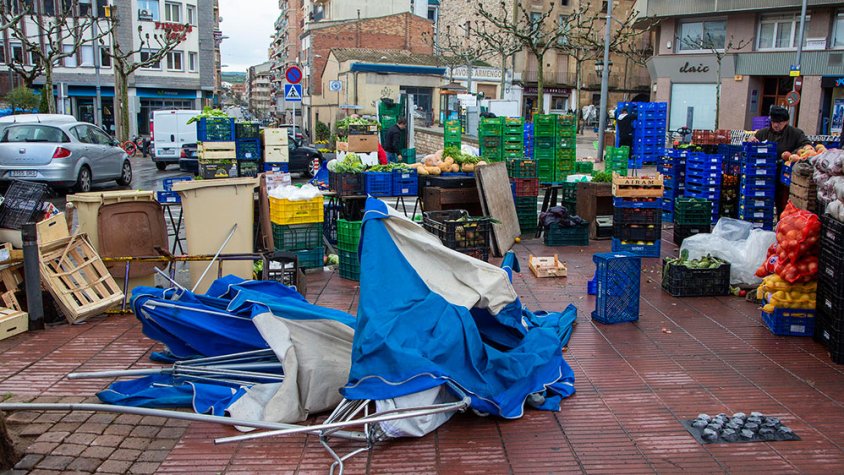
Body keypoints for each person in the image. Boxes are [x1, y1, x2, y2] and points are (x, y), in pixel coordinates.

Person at [749, 106, 811, 215]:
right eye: (773, 122)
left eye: (779, 122)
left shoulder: (796, 133)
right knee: (762, 201)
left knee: (782, 203)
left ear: (786, 121)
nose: (776, 125)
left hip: (784, 176)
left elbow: (806, 146)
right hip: (765, 174)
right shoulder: (762, 133)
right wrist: (752, 142)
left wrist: (791, 155)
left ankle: (780, 222)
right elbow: (752, 150)